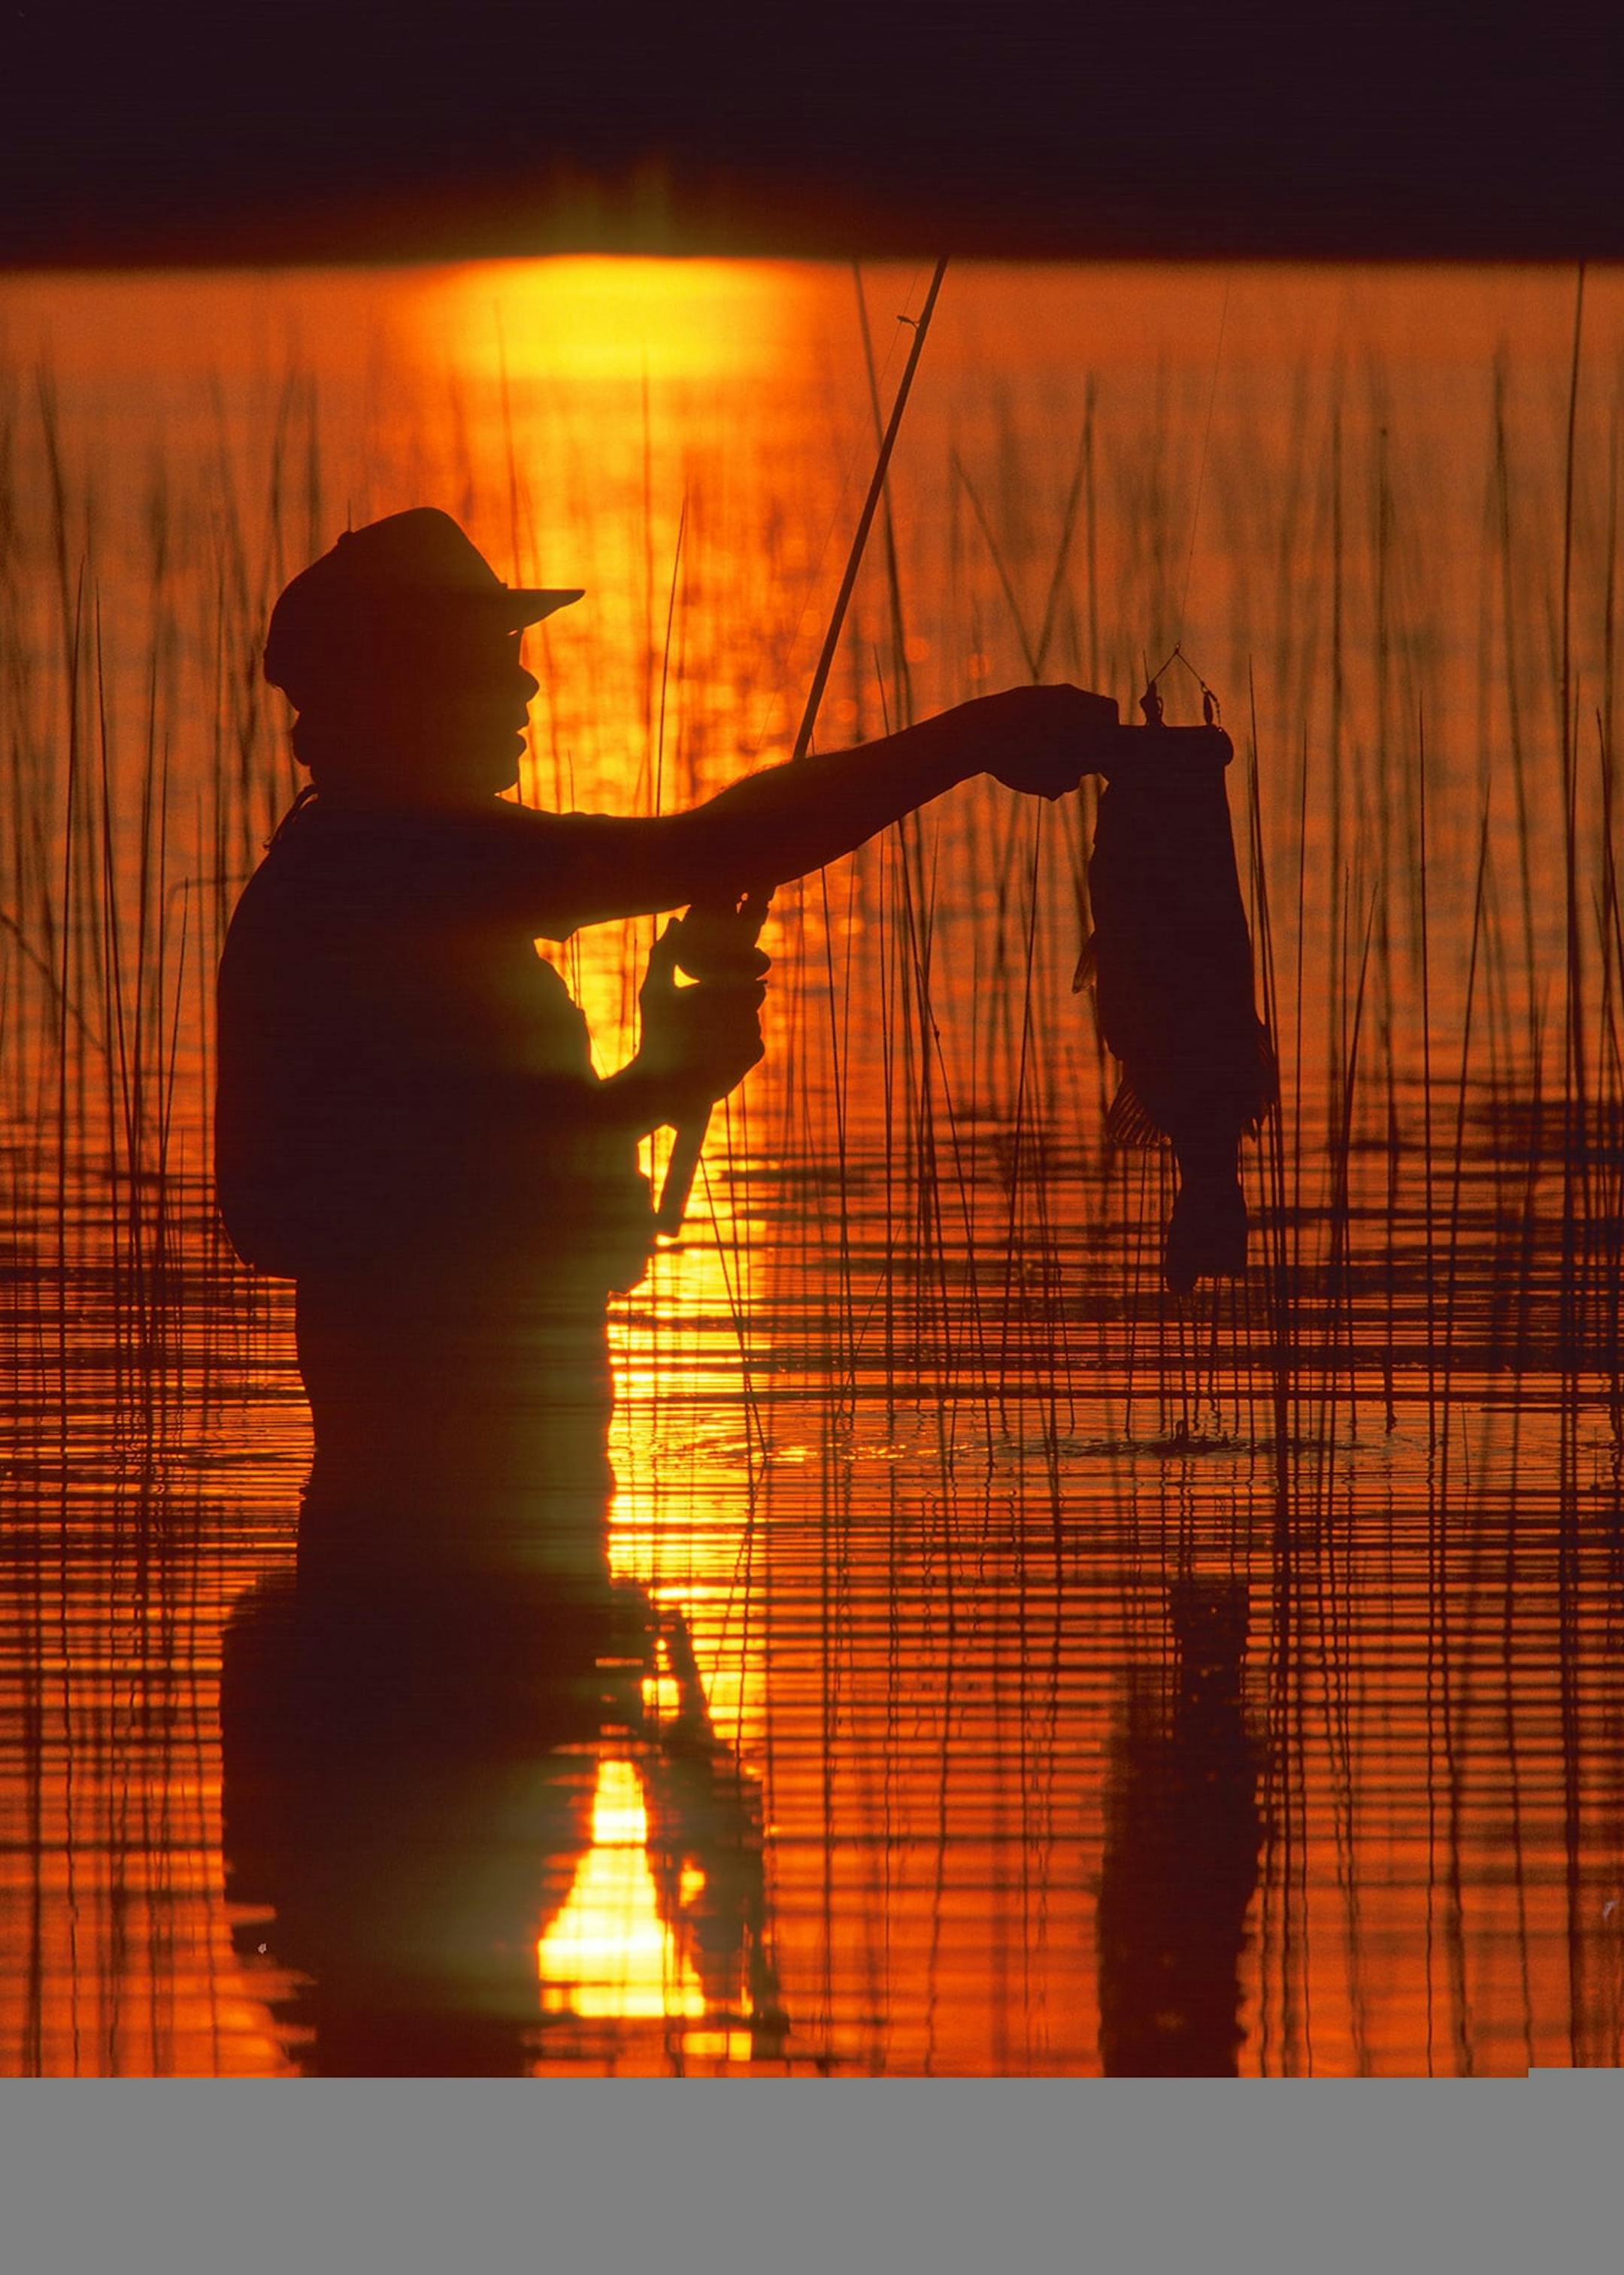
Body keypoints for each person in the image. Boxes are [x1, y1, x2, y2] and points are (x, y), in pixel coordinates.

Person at [215, 508, 1119, 1600]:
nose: (526, 690)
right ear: (398, 689)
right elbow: (711, 846)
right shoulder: (387, 864)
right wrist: (977, 738)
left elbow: (450, 1159)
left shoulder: (383, 871)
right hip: (433, 1564)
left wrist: (655, 1080)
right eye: (486, 660)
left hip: (478, 1549)